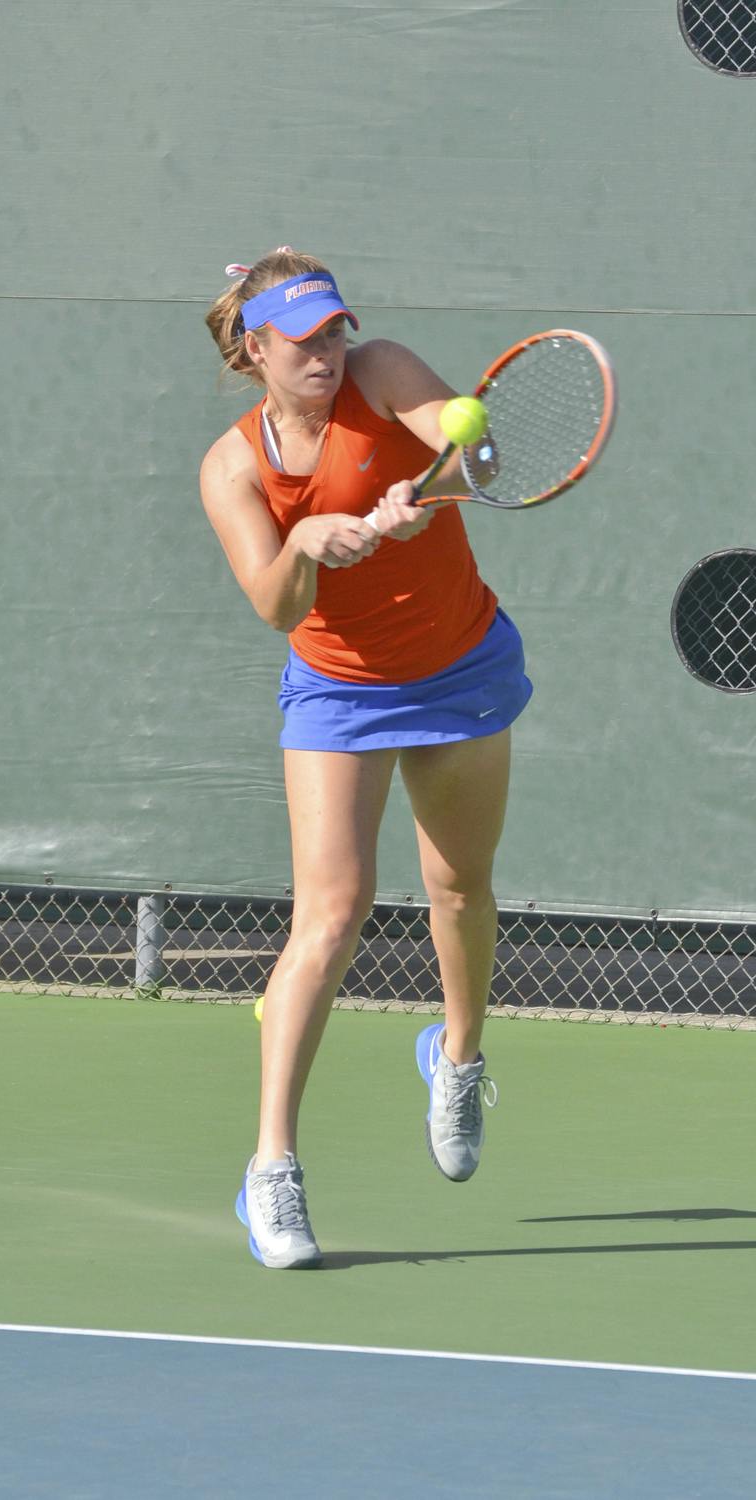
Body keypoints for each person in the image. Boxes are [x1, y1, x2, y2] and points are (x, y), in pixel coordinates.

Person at [199, 248, 532, 1269]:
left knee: (457, 888)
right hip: (337, 692)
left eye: (333, 328)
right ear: (255, 348)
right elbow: (274, 608)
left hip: (457, 666)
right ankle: (270, 1174)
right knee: (329, 917)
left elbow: (477, 459)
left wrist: (421, 488)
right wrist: (309, 544)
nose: (326, 351)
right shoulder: (233, 467)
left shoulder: (381, 370)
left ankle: (458, 1057)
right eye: (302, 338)